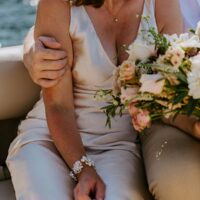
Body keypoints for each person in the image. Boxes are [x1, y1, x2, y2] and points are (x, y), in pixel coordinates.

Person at [7, 1, 200, 200]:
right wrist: (84, 170)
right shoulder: (58, 4)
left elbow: (164, 95)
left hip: (120, 146)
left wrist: (194, 127)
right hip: (51, 137)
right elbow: (58, 105)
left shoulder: (162, 4)